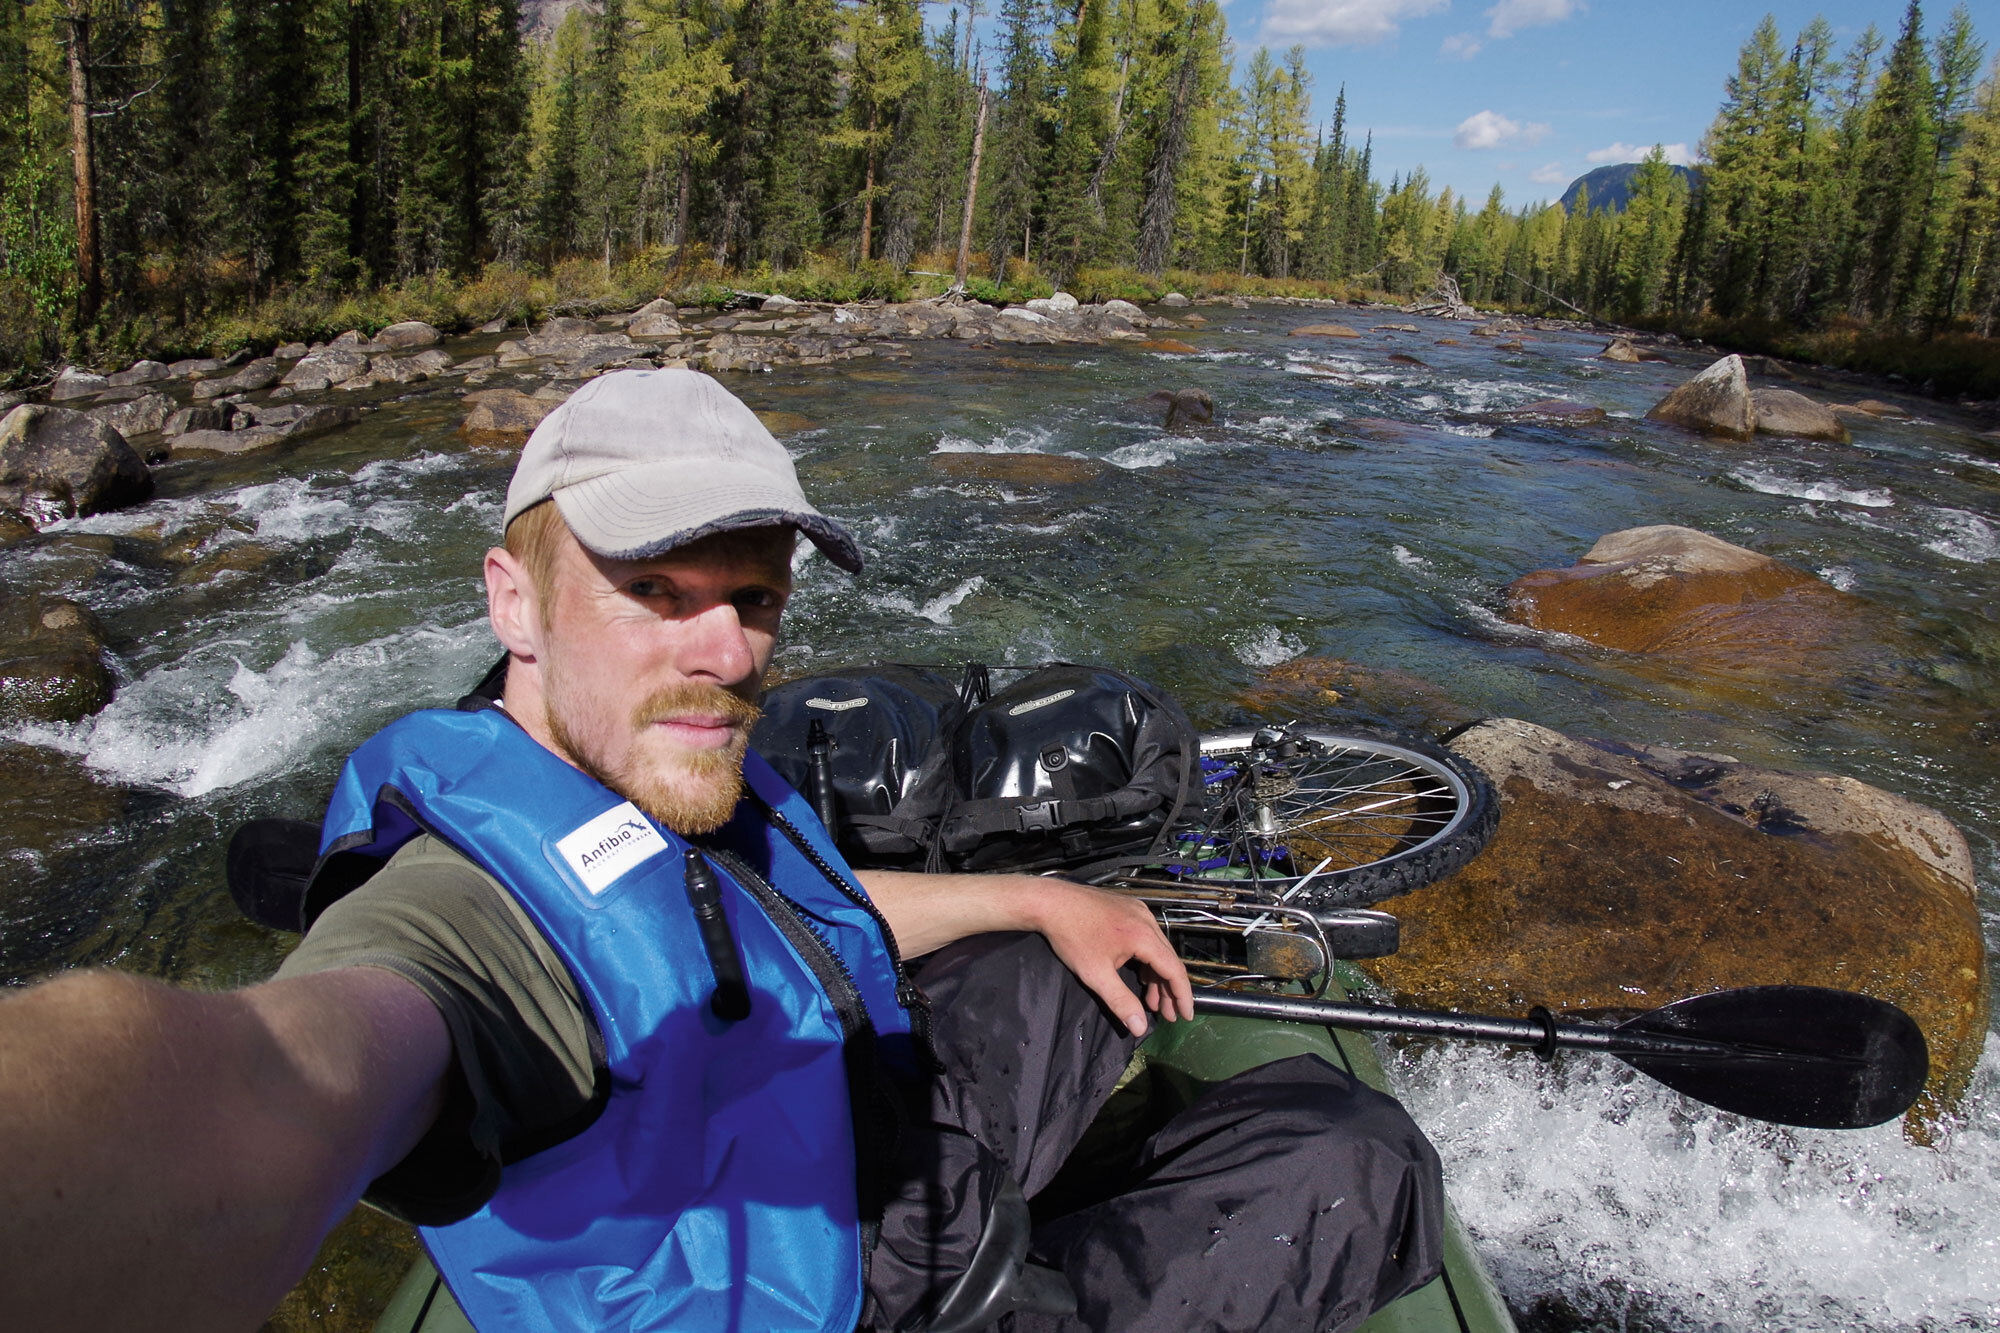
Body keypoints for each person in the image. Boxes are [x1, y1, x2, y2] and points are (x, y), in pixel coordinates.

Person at [0, 368, 1442, 1333]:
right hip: (846, 1299)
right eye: (656, 589)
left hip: (842, 1138)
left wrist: (1044, 893)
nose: (722, 651)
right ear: (515, 598)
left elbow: (775, 914)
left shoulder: (638, 762)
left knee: (1071, 967)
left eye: (753, 598)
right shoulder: (467, 921)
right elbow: (279, 1078)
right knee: (1356, 1163)